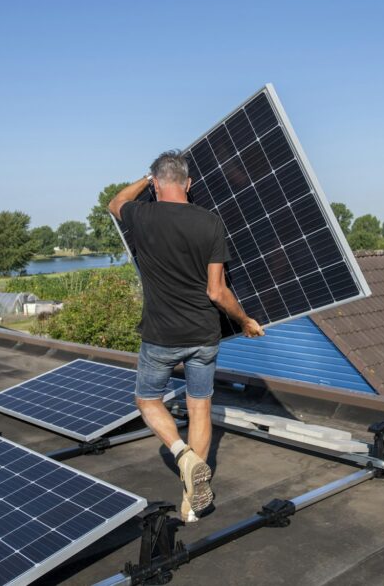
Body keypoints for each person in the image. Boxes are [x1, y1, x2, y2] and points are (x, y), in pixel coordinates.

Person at [108, 150, 265, 523]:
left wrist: (146, 181)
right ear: (189, 184)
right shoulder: (210, 222)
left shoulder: (141, 215)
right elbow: (217, 291)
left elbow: (115, 202)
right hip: (203, 334)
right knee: (200, 408)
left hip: (161, 335)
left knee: (147, 400)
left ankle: (182, 455)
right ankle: (192, 500)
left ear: (158, 184)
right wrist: (244, 319)